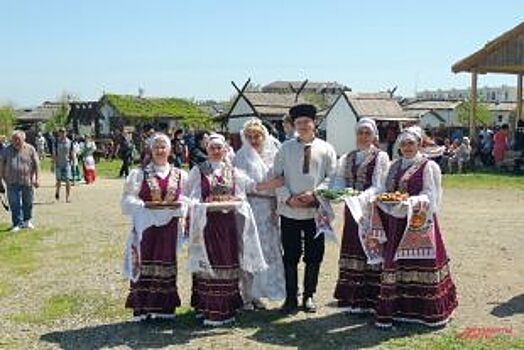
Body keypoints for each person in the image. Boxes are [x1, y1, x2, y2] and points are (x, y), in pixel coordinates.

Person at [186, 133, 281, 326]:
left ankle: (227, 306)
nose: (216, 151)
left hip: (227, 224)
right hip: (207, 224)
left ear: (224, 150)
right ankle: (206, 306)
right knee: (209, 261)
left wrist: (272, 185)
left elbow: (245, 191)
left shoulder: (233, 171)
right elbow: (190, 195)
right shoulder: (199, 170)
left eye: (219, 148)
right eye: (212, 147)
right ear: (207, 149)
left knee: (228, 261)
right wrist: (199, 205)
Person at [373, 126, 458, 328]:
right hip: (396, 220)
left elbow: (431, 196)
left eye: (411, 143)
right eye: (403, 144)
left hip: (419, 222)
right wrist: (384, 201)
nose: (407, 147)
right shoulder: (393, 167)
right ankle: (397, 308)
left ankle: (424, 309)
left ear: (419, 144)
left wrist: (409, 203)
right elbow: (387, 191)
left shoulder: (428, 166)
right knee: (396, 262)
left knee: (421, 261)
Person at [273, 103, 337, 313]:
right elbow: (277, 177)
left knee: (314, 255)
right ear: (294, 125)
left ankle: (309, 295)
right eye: (298, 123)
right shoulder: (285, 148)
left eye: (306, 122)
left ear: (314, 123)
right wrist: (287, 198)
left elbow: (333, 178)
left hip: (316, 212)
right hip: (290, 211)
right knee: (290, 255)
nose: (302, 126)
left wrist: (315, 195)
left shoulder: (326, 149)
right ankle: (291, 297)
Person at [121, 133, 189, 321]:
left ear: (170, 150)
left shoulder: (179, 174)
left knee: (166, 262)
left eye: (163, 147)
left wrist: (181, 204)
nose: (160, 150)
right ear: (150, 150)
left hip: (169, 226)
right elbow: (127, 199)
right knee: (144, 262)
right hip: (146, 227)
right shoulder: (139, 173)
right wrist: (142, 206)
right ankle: (142, 307)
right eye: (156, 147)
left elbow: (186, 197)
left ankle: (164, 308)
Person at [331, 118, 390, 314]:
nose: (364, 137)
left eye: (367, 133)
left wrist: (360, 197)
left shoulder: (380, 157)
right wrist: (340, 193)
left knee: (370, 247)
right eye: (360, 133)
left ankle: (371, 299)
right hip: (351, 210)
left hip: (371, 210)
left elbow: (379, 184)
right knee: (352, 247)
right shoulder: (347, 157)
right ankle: (351, 298)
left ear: (374, 136)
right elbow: (339, 179)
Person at [234, 118, 286, 310]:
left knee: (270, 250)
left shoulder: (274, 153)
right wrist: (265, 186)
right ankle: (249, 295)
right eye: (250, 136)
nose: (254, 140)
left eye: (258, 136)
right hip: (250, 207)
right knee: (250, 249)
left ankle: (266, 291)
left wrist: (277, 205)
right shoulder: (240, 156)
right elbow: (241, 182)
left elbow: (282, 180)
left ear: (264, 136)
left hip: (271, 208)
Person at [0, 130, 40, 231]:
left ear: (24, 139)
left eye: (18, 139)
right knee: (14, 203)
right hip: (11, 180)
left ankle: (27, 221)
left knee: (28, 202)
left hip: (27, 180)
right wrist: (1, 179)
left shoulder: (30, 149)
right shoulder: (6, 150)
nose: (16, 142)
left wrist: (37, 178)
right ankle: (17, 223)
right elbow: (2, 165)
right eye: (14, 139)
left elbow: (36, 164)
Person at [53, 128, 73, 202]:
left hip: (67, 163)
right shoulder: (56, 142)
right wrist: (53, 164)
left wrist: (73, 162)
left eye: (64, 132)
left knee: (68, 180)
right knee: (59, 181)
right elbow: (54, 154)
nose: (62, 134)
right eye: (61, 132)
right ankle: (57, 191)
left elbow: (71, 152)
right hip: (59, 164)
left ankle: (67, 197)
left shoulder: (69, 142)